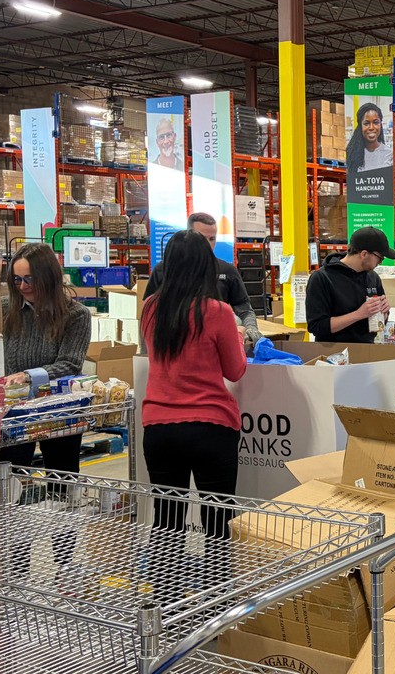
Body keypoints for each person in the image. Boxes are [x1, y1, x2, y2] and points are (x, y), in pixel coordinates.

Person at [141, 230, 248, 554]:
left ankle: (163, 601)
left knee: (167, 522)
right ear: (206, 266)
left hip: (158, 428)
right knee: (218, 523)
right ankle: (216, 602)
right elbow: (235, 370)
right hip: (210, 428)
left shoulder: (149, 308)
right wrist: (239, 338)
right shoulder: (217, 312)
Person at [0, 242, 93, 471]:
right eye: (17, 279)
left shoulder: (76, 315)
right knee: (11, 478)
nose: (22, 286)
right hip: (14, 411)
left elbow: (70, 364)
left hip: (60, 408)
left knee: (62, 478)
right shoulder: (4, 311)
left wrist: (28, 376)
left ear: (48, 277)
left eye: (29, 279)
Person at [145, 213, 261, 347]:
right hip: (172, 348)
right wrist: (146, 353)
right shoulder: (163, 270)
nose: (208, 244)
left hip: (215, 348)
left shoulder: (226, 271)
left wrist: (251, 329)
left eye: (212, 238)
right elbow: (149, 314)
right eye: (201, 239)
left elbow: (244, 308)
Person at [305, 226, 395, 343]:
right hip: (333, 355)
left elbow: (379, 323)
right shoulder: (322, 278)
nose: (380, 262)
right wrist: (358, 314)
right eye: (379, 257)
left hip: (367, 351)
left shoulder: (373, 277)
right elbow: (317, 327)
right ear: (364, 254)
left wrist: (383, 313)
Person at [347, 102, 393, 173]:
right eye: (366, 123)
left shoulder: (390, 154)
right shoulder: (352, 155)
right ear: (360, 126)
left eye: (375, 122)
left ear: (380, 124)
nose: (371, 127)